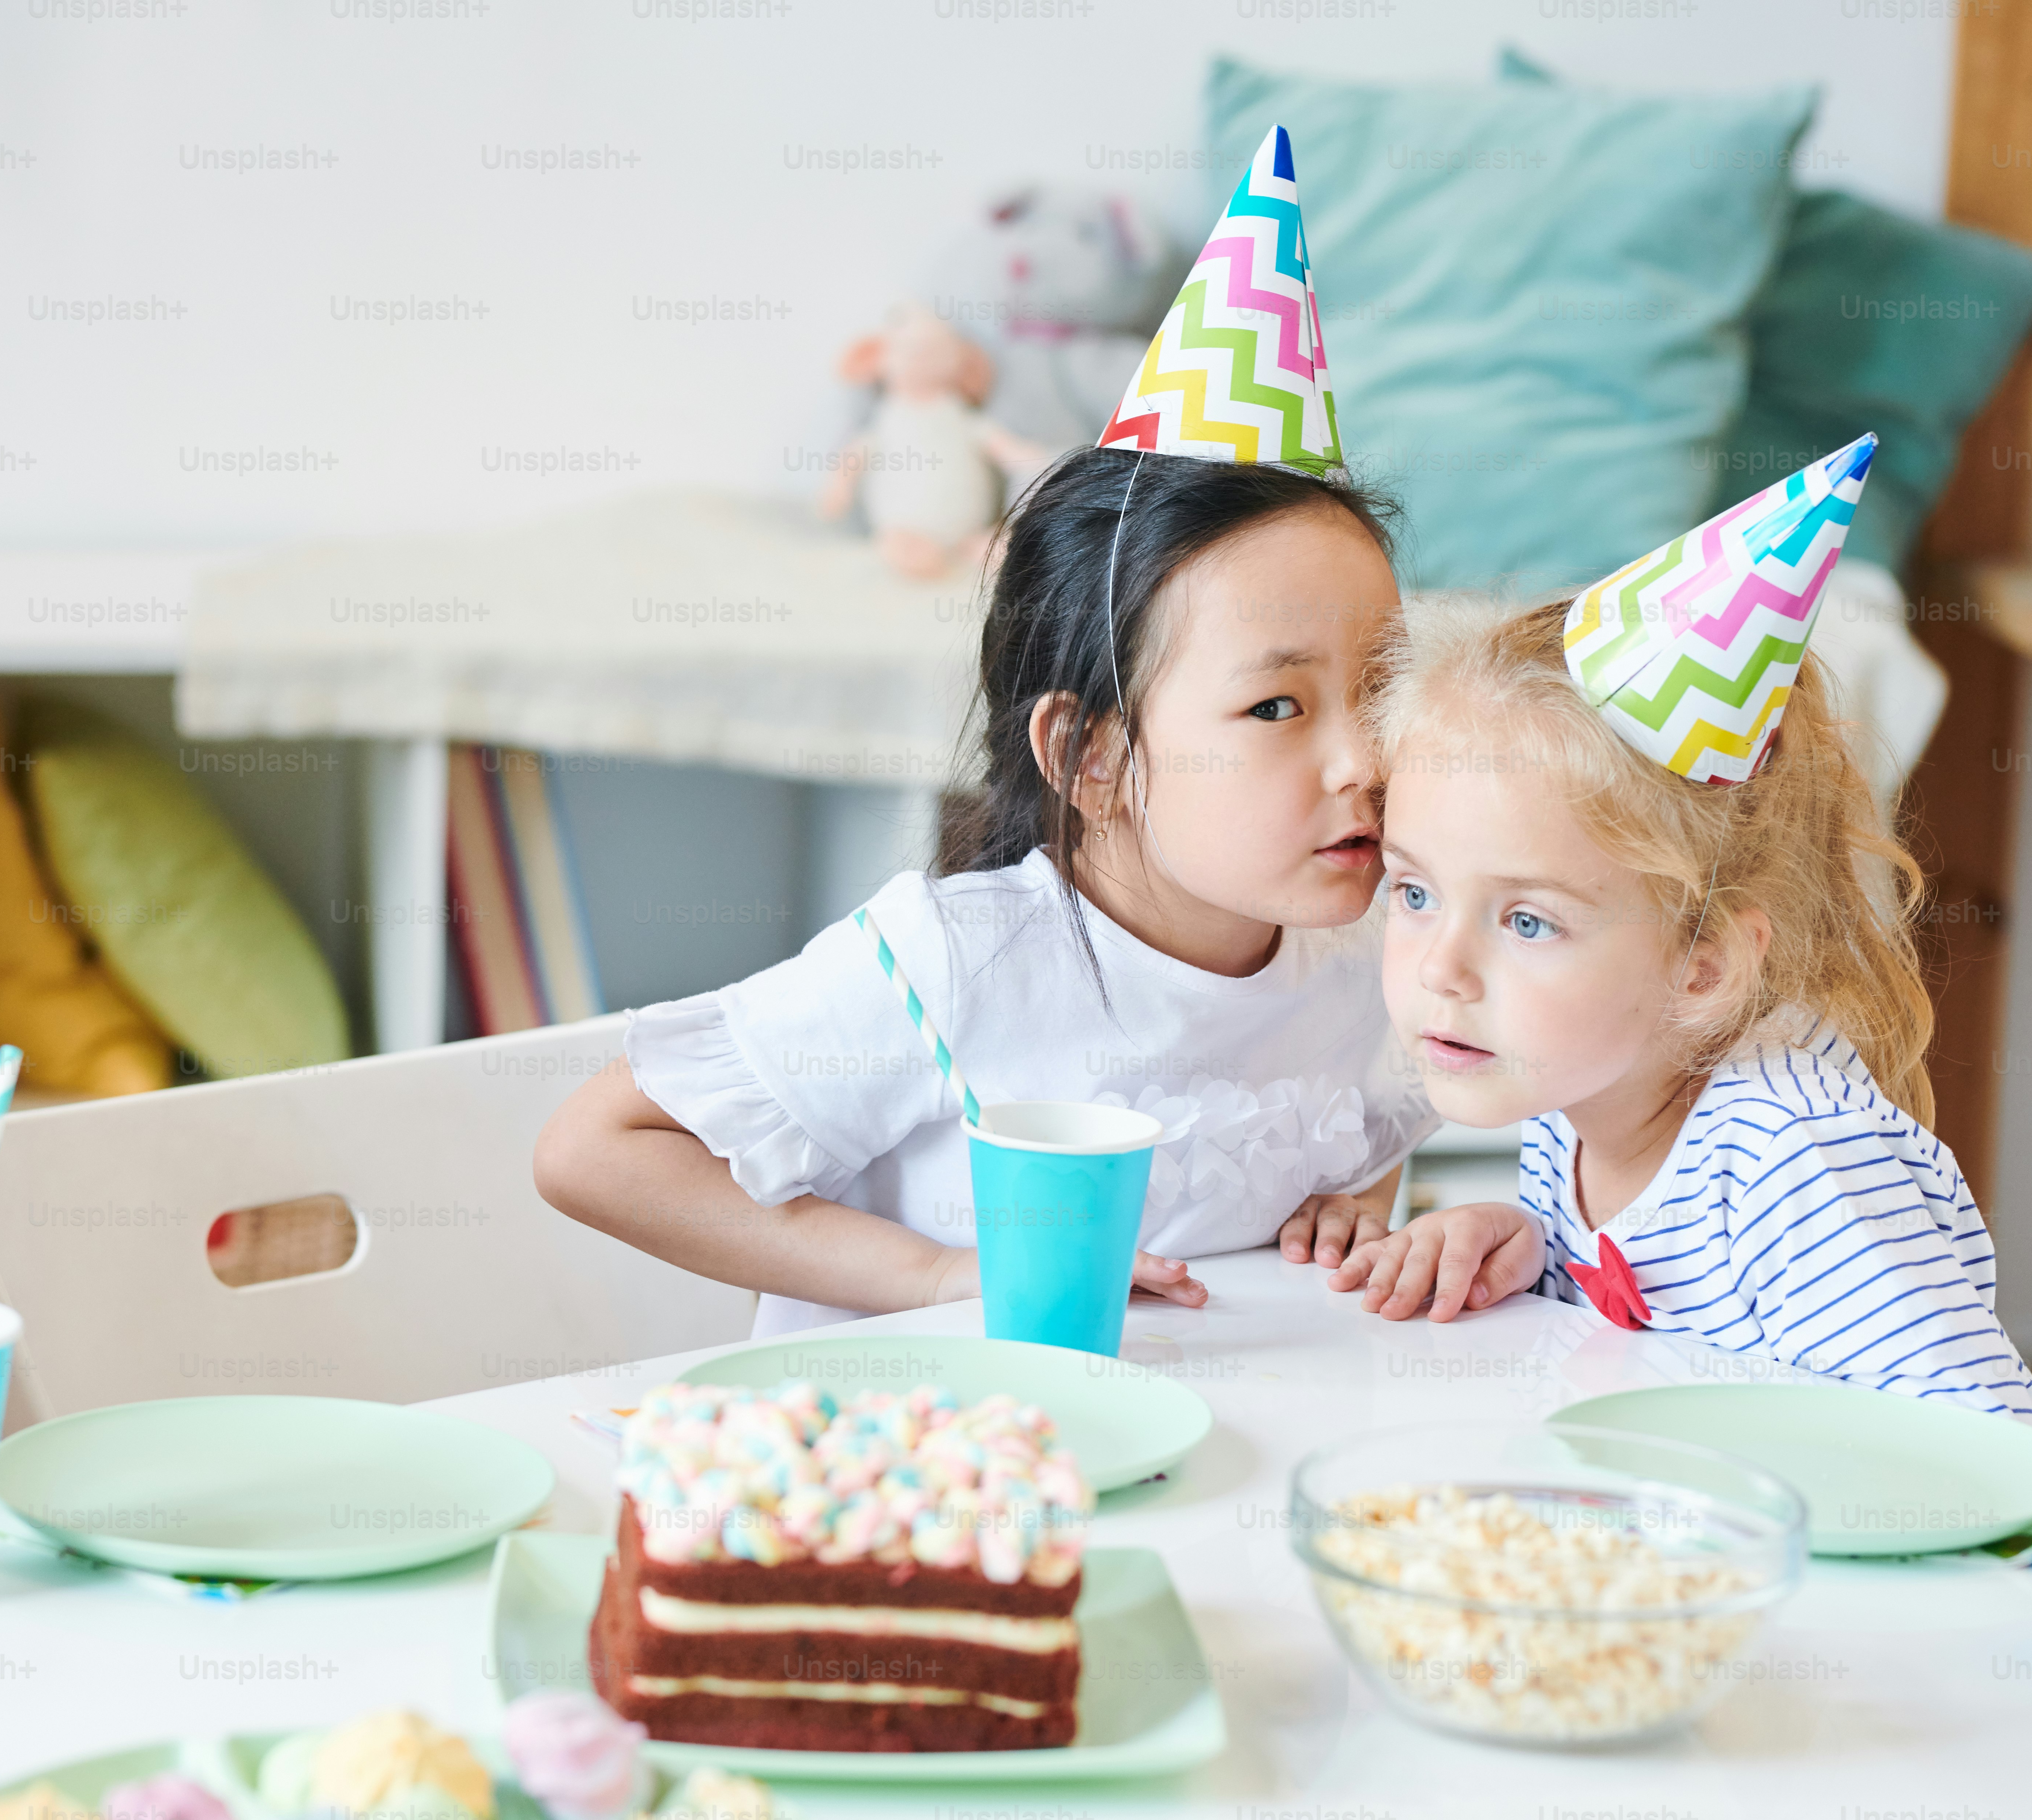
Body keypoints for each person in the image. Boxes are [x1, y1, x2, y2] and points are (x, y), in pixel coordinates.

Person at [538, 128, 1437, 1333]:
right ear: (1093, 758)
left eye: (1380, 692)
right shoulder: (952, 967)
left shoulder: (1374, 954)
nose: (1363, 757)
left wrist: (1356, 1198)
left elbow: (1363, 1122)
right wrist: (939, 1280)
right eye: (1276, 706)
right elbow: (595, 1150)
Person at [1335, 437, 2032, 1427]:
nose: (1442, 971)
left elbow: (2000, 1460)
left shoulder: (1796, 1164)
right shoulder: (1581, 1099)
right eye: (1416, 894)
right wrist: (1528, 1247)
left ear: (1703, 969)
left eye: (1529, 921)